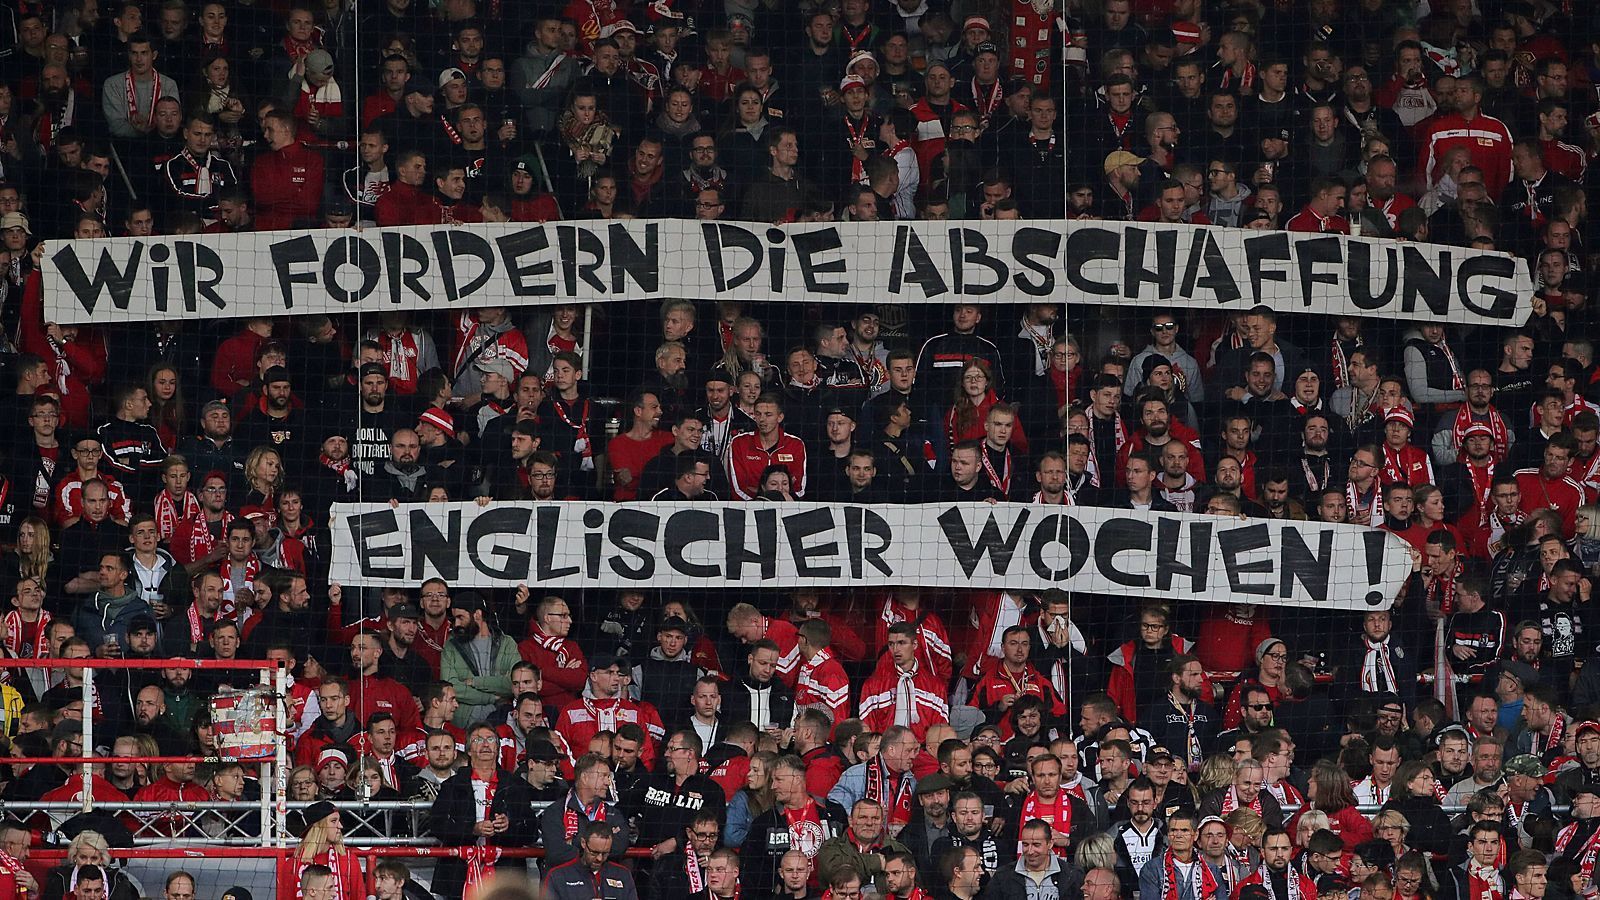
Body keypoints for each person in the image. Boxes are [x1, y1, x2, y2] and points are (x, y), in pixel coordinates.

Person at [426, 721, 540, 899]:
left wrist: (509, 826)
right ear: (469, 750)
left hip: (505, 876)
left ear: (497, 748)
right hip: (459, 875)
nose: (486, 744)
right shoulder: (453, 785)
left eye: (490, 739)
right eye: (478, 740)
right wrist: (472, 829)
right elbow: (438, 825)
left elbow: (531, 830)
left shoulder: (515, 785)